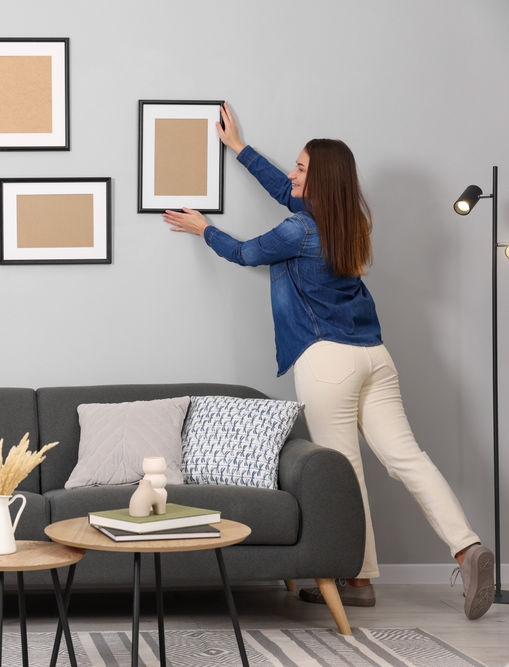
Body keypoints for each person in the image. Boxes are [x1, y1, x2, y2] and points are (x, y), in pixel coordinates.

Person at [162, 103, 496, 620]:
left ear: (319, 182)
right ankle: (466, 548)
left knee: (345, 470)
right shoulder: (350, 221)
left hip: (327, 362)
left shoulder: (297, 231)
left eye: (301, 169)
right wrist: (239, 148)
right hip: (374, 356)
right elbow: (286, 191)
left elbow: (245, 253)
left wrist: (204, 228)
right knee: (407, 458)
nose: (293, 175)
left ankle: (357, 578)